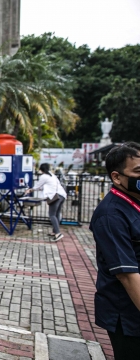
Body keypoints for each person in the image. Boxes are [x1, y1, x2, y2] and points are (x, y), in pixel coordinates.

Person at [90, 142, 140, 360]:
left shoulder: (133, 203)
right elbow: (127, 275)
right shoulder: (110, 216)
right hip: (128, 314)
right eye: (137, 171)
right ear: (117, 177)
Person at [25, 163, 67, 241]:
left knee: (52, 214)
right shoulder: (52, 175)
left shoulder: (44, 176)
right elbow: (43, 187)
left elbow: (37, 186)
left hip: (55, 196)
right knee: (56, 214)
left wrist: (30, 190)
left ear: (41, 169)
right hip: (62, 195)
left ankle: (58, 233)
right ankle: (55, 231)